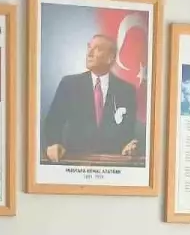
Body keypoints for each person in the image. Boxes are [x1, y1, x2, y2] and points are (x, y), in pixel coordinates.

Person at [41, 34, 139, 162]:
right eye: (89, 47)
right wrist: (54, 144)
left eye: (97, 49)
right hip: (74, 162)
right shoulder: (69, 84)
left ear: (110, 58)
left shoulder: (126, 91)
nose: (89, 53)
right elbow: (53, 123)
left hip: (113, 163)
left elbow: (129, 131)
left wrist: (130, 145)